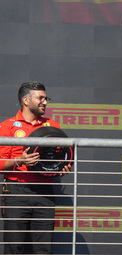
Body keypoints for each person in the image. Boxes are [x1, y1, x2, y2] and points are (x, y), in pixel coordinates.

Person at [0, 81, 72, 254]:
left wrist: (64, 168)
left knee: (43, 248)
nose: (45, 102)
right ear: (26, 100)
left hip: (45, 192)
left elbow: (64, 157)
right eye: (40, 98)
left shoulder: (53, 126)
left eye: (46, 99)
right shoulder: (7, 126)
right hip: (16, 192)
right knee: (13, 247)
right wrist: (20, 160)